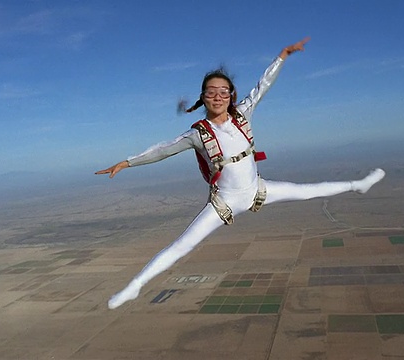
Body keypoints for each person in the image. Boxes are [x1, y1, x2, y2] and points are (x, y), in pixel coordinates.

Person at [95, 37, 385, 309]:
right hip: (224, 204)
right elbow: (162, 149)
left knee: (310, 189)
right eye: (211, 92)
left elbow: (263, 86)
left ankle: (358, 185)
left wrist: (282, 56)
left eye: (224, 91)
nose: (218, 96)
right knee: (182, 245)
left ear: (231, 95)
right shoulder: (198, 133)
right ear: (203, 98)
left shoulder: (243, 114)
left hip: (258, 190)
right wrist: (126, 162)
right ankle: (136, 285)